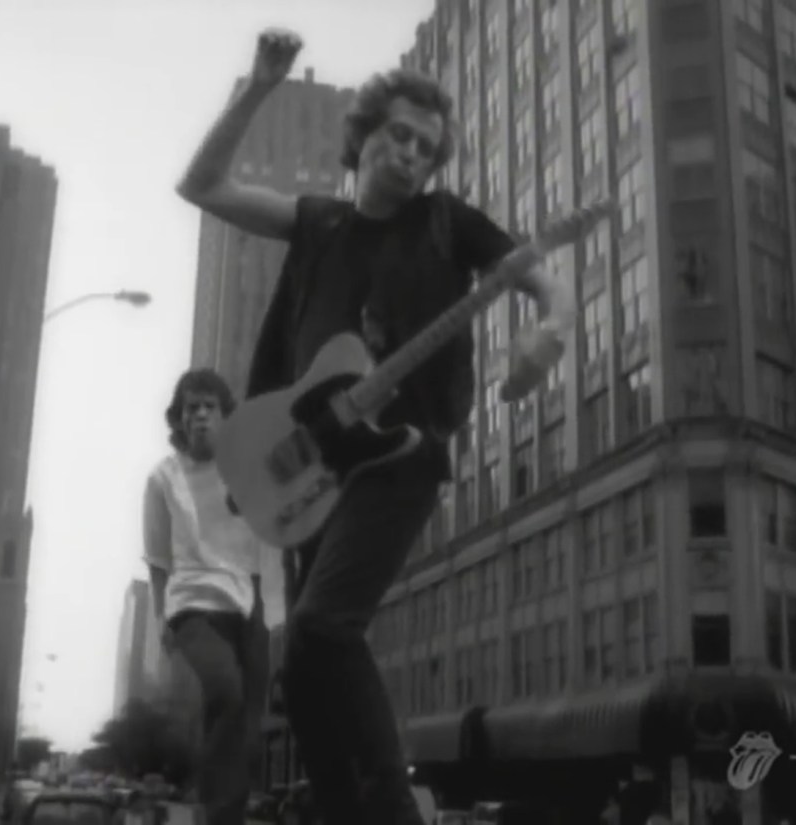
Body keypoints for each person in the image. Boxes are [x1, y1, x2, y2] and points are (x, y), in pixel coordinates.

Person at [176, 29, 574, 825]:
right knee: (302, 664)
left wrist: (549, 334)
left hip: (401, 455)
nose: (412, 154)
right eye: (399, 134)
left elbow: (549, 285)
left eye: (427, 147)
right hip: (314, 462)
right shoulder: (318, 222)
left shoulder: (448, 223)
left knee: (325, 624)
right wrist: (259, 86)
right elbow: (203, 185)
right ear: (363, 135)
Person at [142, 368, 270, 825]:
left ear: (224, 415)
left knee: (249, 726)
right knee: (225, 689)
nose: (199, 415)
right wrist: (162, 618)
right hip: (191, 605)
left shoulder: (247, 468)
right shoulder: (162, 479)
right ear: (179, 419)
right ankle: (218, 816)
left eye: (209, 407)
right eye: (190, 408)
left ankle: (224, 811)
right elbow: (157, 559)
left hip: (248, 600)